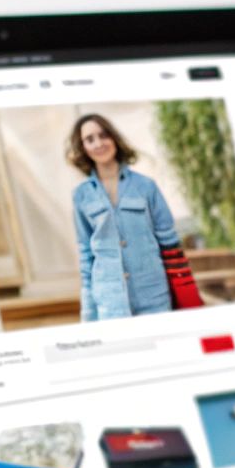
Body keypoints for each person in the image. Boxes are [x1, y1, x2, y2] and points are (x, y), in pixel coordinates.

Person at [67, 114, 200, 322]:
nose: (98, 143)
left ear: (114, 138)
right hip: (110, 305)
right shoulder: (81, 195)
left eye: (103, 135)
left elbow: (170, 244)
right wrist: (88, 315)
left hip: (154, 298)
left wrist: (184, 292)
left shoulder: (146, 186)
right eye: (89, 139)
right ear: (82, 147)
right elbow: (86, 255)